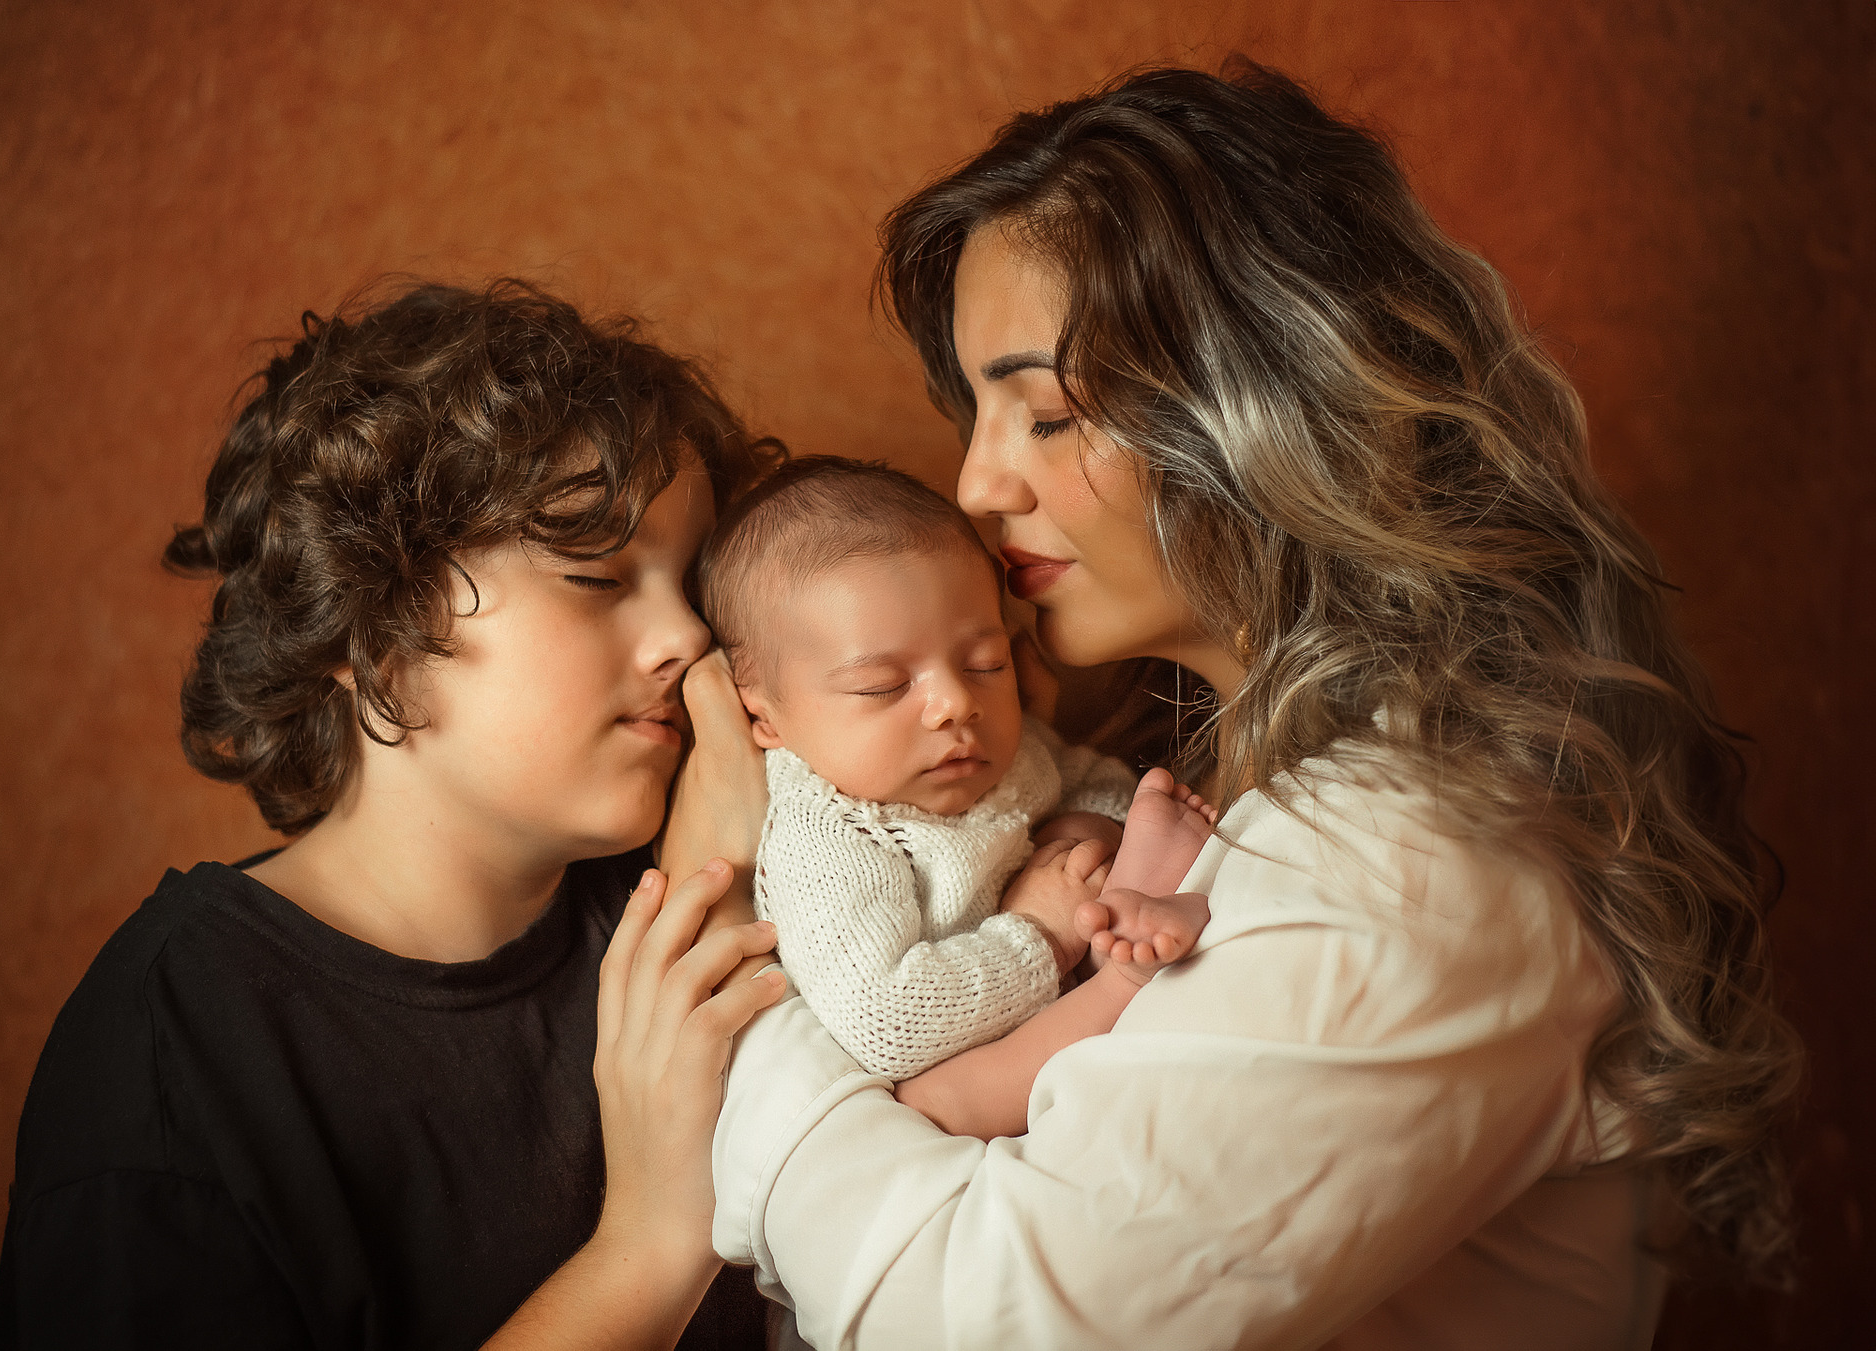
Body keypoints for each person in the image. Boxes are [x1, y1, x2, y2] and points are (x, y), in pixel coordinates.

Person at [698, 62, 1803, 1349]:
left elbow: (981, 1322)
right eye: (979, 412)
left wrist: (727, 1012)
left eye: (1047, 414)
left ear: (1267, 414)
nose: (978, 483)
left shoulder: (1413, 857)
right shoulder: (1154, 775)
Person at [0, 280, 788, 1350]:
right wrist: (651, 1240)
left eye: (689, 580)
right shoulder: (174, 1058)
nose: (687, 634)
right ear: (362, 624)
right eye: (599, 576)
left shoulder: (706, 880)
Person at [694, 456, 1215, 1137]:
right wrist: (1041, 935)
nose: (955, 704)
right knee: (934, 1097)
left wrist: (1081, 830)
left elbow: (1089, 778)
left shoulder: (1006, 751)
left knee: (1120, 821)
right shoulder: (828, 831)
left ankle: (1132, 905)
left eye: (985, 664)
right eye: (883, 685)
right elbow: (886, 1020)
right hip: (935, 1076)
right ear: (767, 717)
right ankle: (1119, 976)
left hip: (1055, 987)